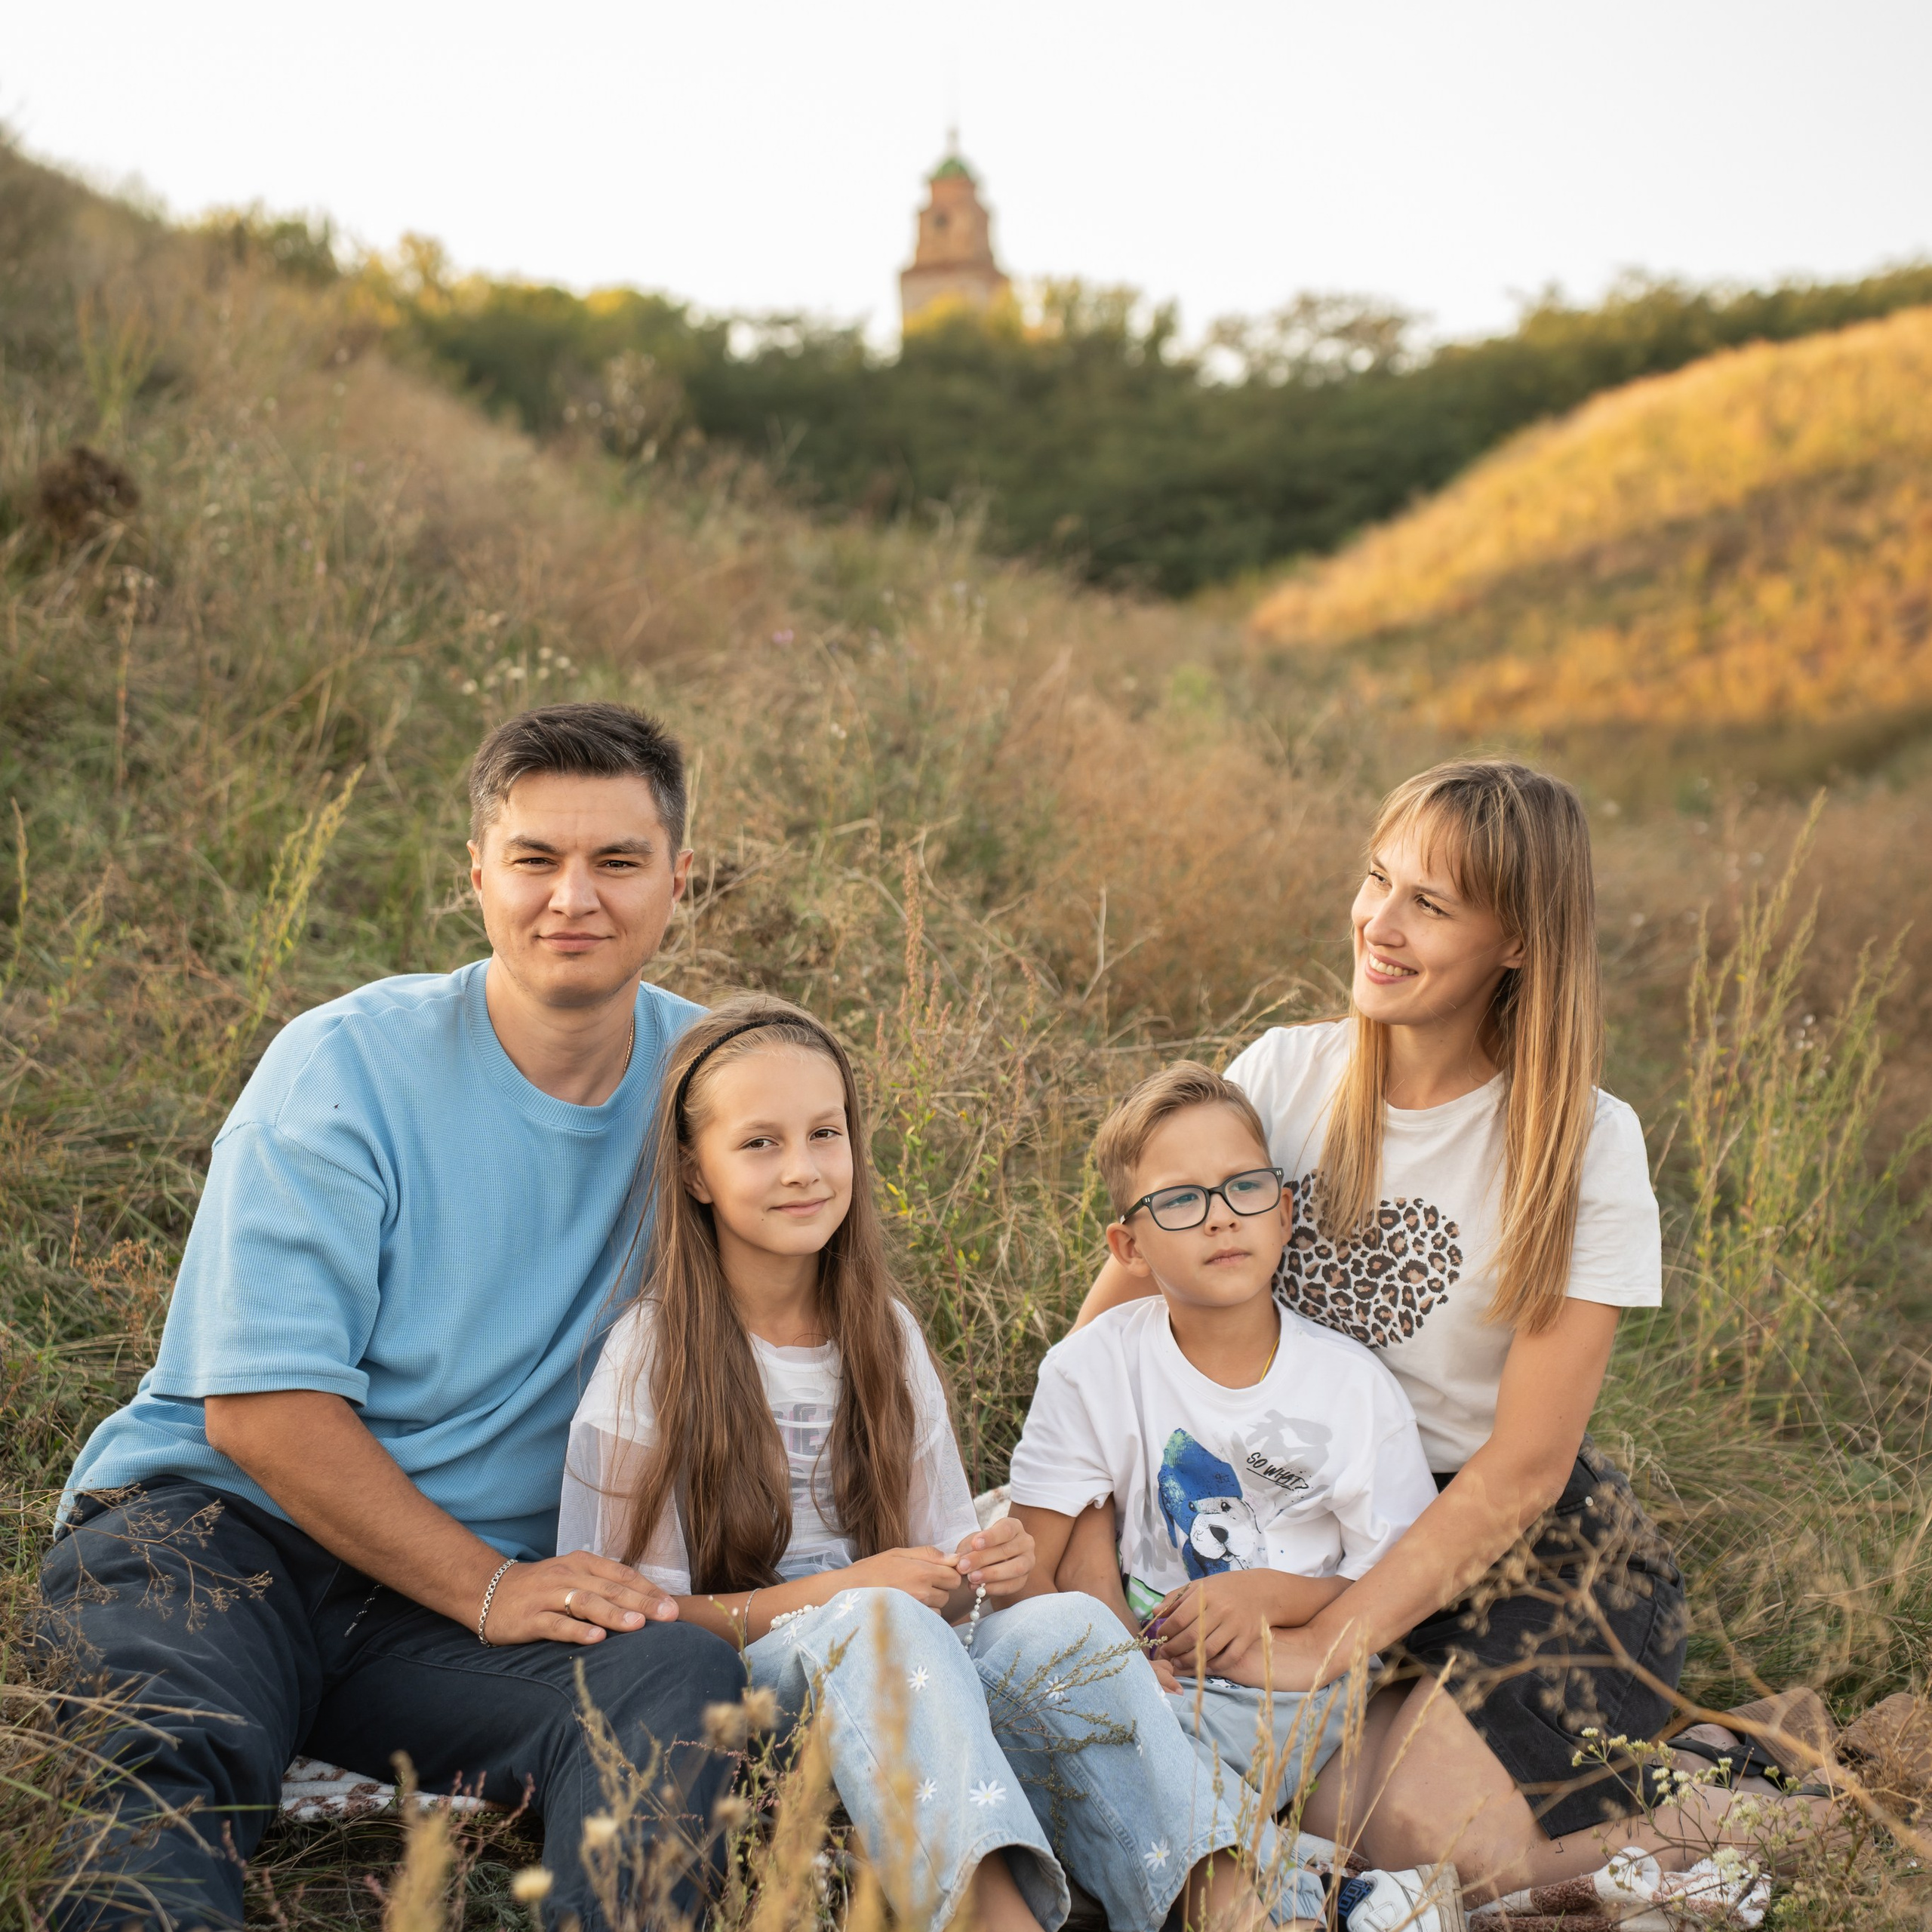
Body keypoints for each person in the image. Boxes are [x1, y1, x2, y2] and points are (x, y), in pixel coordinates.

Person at [1063, 759, 1831, 1887]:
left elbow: (1525, 1465)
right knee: (1297, 1808)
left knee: (1432, 1846)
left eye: (1431, 903)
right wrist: (1083, 1556)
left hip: (1517, 1547)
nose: (1381, 923)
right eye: (1379, 880)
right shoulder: (1280, 1076)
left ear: (1516, 941)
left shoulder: (1582, 1142)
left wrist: (1334, 1644)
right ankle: (1647, 1763)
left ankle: (1755, 1790)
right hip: (1293, 1519)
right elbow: (1111, 1340)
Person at [41, 703, 741, 1930]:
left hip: (428, 1619)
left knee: (672, 1679)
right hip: (216, 1529)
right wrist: (486, 1588)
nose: (572, 896)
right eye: (535, 859)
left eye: (618, 862)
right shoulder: (344, 1066)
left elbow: (823, 1324)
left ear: (680, 882)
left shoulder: (718, 1087)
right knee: (175, 1756)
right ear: (477, 875)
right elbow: (262, 1414)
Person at [558, 995, 1346, 1932]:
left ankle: (1226, 1908)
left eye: (825, 1133)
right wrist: (854, 1590)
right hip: (750, 1689)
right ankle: (987, 1917)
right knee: (883, 1623)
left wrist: (985, 1572)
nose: (804, 1168)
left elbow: (942, 1571)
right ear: (695, 1171)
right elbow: (638, 1626)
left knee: (1065, 1626)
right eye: (760, 1144)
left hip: (906, 1657)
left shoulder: (881, 1335)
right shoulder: (654, 1354)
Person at [1008, 1060, 1465, 1932]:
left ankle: (1275, 1885)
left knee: (1103, 1775)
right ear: (1129, 1247)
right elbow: (1038, 1559)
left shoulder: (1349, 1388)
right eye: (1180, 1200)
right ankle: (1318, 1888)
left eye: (1243, 1188)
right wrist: (1116, 1664)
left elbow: (1389, 1588)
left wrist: (1272, 1596)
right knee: (1047, 1713)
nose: (1220, 1215)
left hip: (1293, 1688)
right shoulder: (1094, 1366)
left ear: (1284, 1210)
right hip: (1139, 1673)